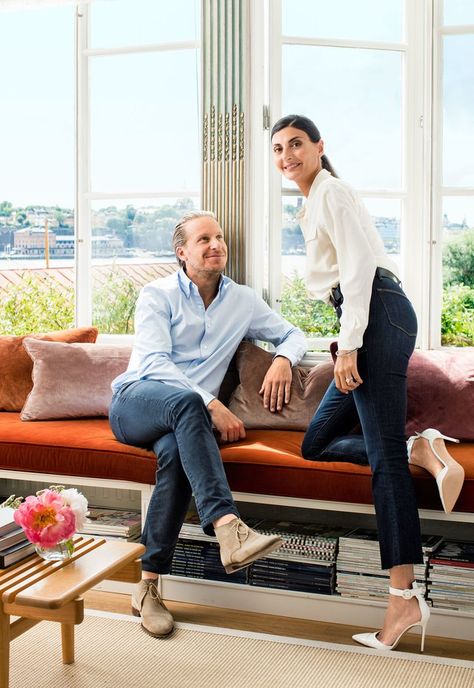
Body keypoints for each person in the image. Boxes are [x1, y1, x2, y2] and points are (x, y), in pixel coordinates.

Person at [271, 114, 465, 652]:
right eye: (278, 148)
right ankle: (420, 446)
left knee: (382, 461)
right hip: (370, 316)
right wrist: (348, 337)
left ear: (318, 147)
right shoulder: (313, 202)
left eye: (296, 144)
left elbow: (357, 267)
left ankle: (402, 595)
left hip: (376, 313)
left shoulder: (331, 191)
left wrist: (350, 342)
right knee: (317, 440)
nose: (287, 155)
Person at [109, 210, 307, 638]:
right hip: (137, 403)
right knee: (186, 402)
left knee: (177, 458)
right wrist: (212, 403)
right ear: (182, 252)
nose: (216, 244)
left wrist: (283, 360)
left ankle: (147, 588)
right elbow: (155, 363)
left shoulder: (242, 300)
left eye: (219, 237)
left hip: (186, 421)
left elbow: (293, 333)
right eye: (204, 239)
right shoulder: (157, 294)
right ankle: (227, 526)